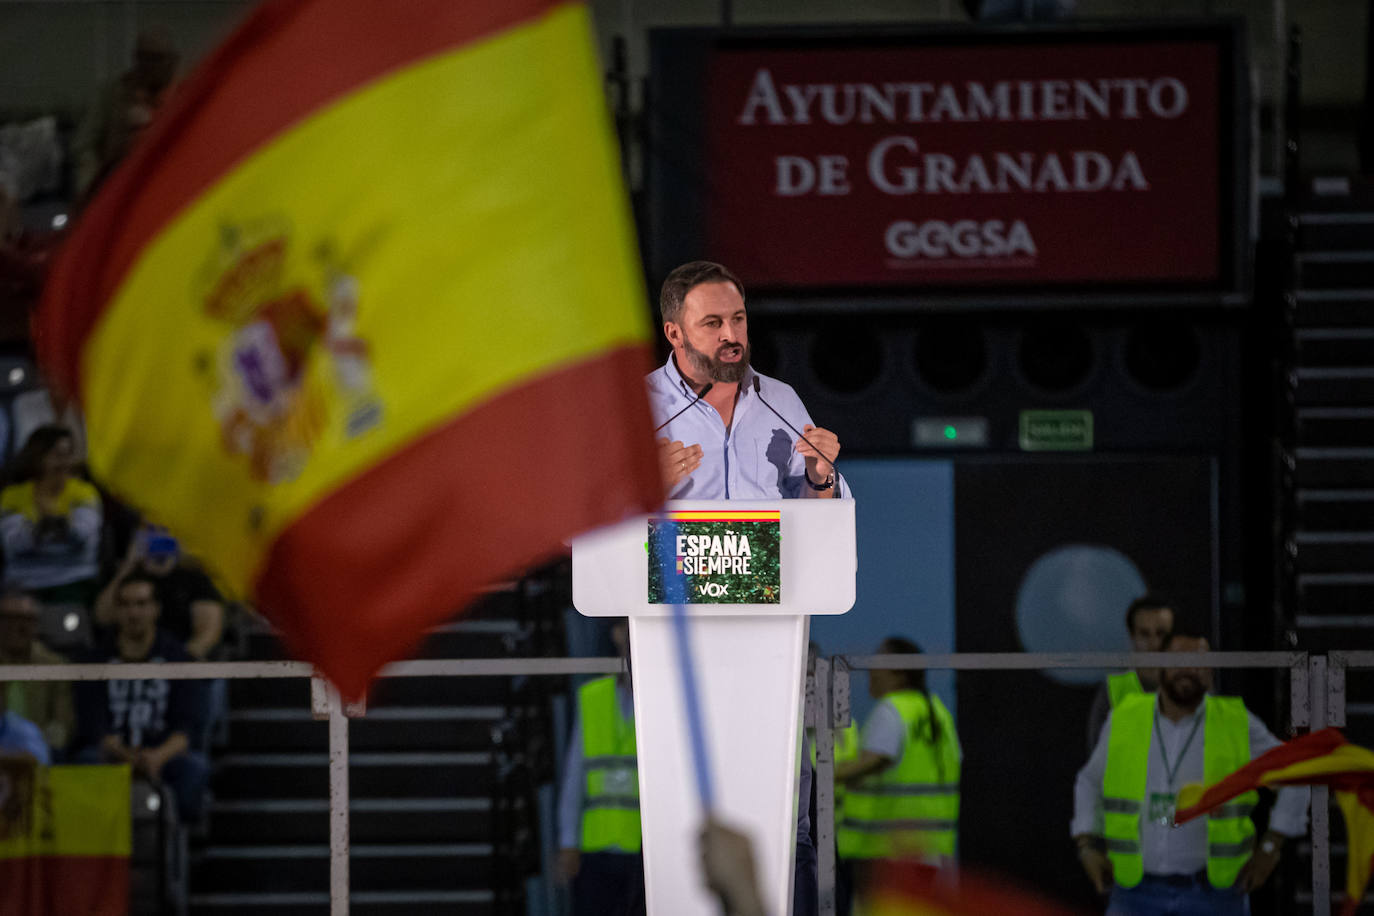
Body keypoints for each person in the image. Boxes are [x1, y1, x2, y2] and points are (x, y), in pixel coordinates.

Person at [649, 260, 850, 916]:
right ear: (675, 333)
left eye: (738, 319)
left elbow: (827, 521)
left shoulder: (781, 402)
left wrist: (820, 479)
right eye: (713, 323)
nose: (732, 334)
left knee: (783, 814)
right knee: (687, 820)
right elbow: (577, 529)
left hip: (771, 645)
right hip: (673, 652)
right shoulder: (635, 411)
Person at [1071, 632, 1309, 915]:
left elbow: (1296, 772)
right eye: (1178, 660)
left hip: (1215, 896)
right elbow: (1089, 781)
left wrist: (1272, 847)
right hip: (1135, 895)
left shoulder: (1234, 720)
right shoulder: (1126, 717)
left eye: (1199, 662)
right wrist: (1086, 844)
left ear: (1210, 672)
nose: (1188, 670)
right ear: (1161, 666)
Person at [73, 571, 208, 824]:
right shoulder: (95, 660)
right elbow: (93, 724)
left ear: (156, 609)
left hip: (163, 756)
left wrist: (156, 757)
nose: (133, 613)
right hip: (110, 756)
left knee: (194, 769)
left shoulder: (178, 658)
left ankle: (177, 848)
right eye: (125, 604)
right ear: (116, 610)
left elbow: (186, 727)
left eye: (141, 604)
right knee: (84, 763)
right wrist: (124, 755)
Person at [836, 637, 961, 903]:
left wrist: (820, 774)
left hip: (894, 850)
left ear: (899, 672)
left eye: (878, 663)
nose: (871, 670)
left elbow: (871, 761)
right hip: (931, 849)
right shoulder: (938, 712)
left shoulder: (893, 710)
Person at [557, 619, 643, 915]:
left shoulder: (660, 696)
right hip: (597, 850)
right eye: (626, 627)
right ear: (616, 634)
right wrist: (568, 841)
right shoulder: (594, 697)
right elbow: (574, 776)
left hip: (644, 850)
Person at [0, 425, 103, 605]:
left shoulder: (84, 493)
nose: (64, 463)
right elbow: (14, 544)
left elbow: (83, 539)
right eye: (57, 455)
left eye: (68, 455)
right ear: (38, 457)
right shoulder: (12, 496)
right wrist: (44, 525)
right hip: (24, 583)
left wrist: (50, 522)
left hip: (72, 580)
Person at [74, 27, 179, 199]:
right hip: (119, 187)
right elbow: (84, 146)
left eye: (157, 59)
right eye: (144, 58)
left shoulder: (183, 96)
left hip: (167, 185)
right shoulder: (113, 94)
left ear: (173, 61)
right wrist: (90, 187)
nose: (150, 66)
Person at [94, 525, 225, 660]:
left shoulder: (195, 578)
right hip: (129, 658)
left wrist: (179, 662)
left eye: (164, 531)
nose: (158, 537)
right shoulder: (127, 575)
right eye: (150, 532)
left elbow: (209, 632)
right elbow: (102, 618)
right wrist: (129, 563)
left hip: (180, 662)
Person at [1086, 595, 1175, 753]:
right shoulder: (1113, 688)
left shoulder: (1192, 685)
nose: (1153, 643)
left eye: (1161, 633)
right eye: (1144, 634)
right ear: (1133, 636)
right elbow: (1097, 757)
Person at [0, 589, 74, 755]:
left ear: (35, 624)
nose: (15, 627)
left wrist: (40, 747)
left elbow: (62, 722)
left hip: (40, 752)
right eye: (7, 619)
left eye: (24, 620)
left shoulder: (55, 666)